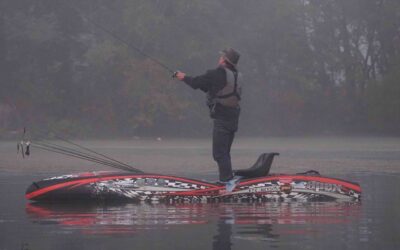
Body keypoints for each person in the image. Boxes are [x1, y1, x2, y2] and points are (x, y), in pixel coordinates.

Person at [175, 48, 242, 191]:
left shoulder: (217, 73)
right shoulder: (236, 75)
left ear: (224, 60)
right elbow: (209, 88)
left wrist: (182, 77)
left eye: (221, 57)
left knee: (219, 153)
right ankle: (227, 179)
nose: (219, 58)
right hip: (233, 118)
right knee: (224, 152)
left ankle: (227, 183)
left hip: (222, 119)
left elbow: (196, 83)